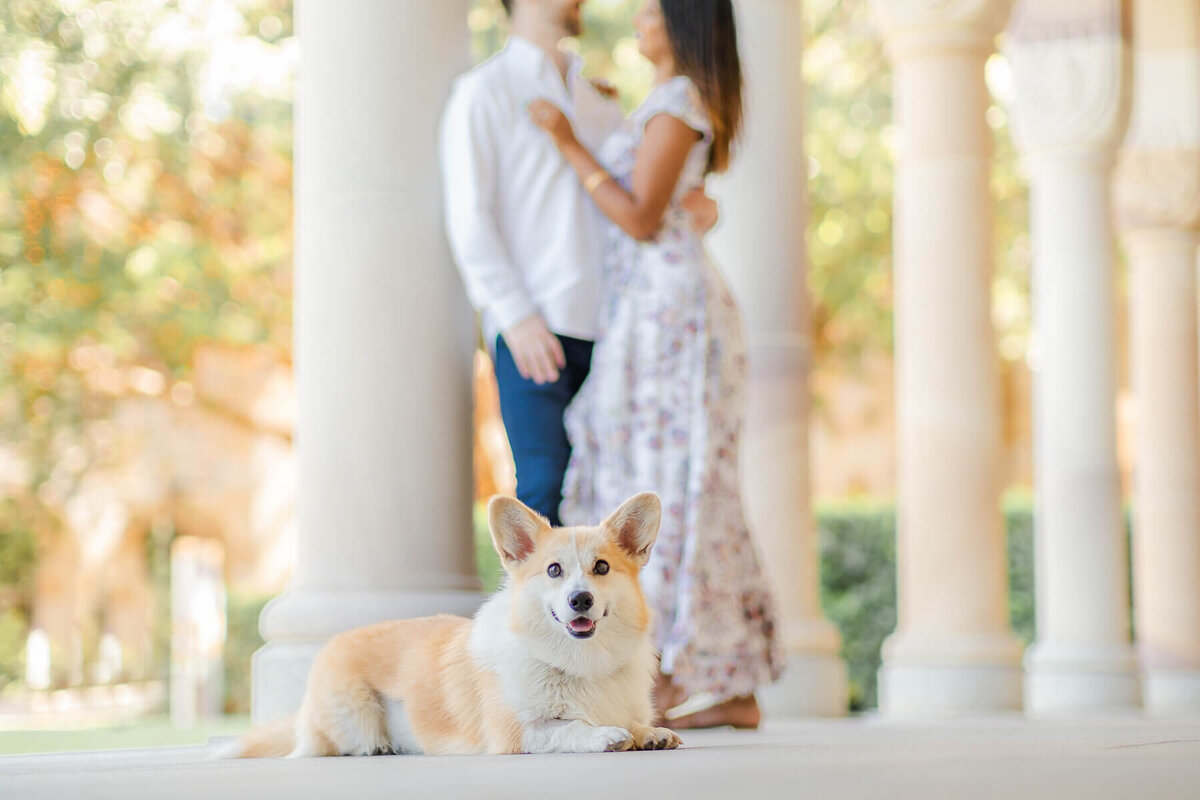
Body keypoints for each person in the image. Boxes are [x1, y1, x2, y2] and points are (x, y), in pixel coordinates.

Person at [529, 0, 783, 729]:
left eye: (651, 8)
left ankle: (671, 673)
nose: (638, 18)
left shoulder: (679, 102)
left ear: (684, 20)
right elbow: (671, 201)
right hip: (652, 307)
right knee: (669, 473)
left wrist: (569, 142)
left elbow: (640, 216)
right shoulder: (666, 103)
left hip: (668, 311)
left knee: (671, 478)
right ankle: (723, 684)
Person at [440, 0, 715, 526]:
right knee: (543, 498)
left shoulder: (601, 103)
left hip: (619, 334)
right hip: (539, 330)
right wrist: (515, 316)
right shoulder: (484, 93)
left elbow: (633, 200)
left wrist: (695, 207)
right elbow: (469, 217)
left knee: (614, 508)